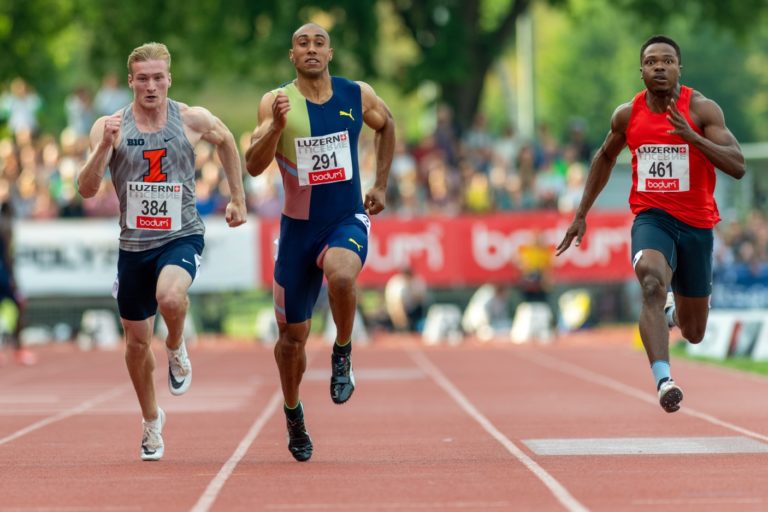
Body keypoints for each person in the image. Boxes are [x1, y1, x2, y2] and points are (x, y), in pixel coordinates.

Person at [556, 35, 745, 413]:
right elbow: (604, 157)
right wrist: (581, 214)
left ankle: (673, 315)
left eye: (667, 61)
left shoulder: (703, 110)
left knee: (694, 332)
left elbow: (738, 165)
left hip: (696, 224)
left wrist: (692, 138)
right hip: (652, 217)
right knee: (651, 281)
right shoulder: (628, 115)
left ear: (679, 69)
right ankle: (664, 380)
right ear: (641, 70)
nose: (659, 67)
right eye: (652, 61)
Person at [77, 42, 247, 460]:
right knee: (136, 343)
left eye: (158, 77)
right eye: (143, 78)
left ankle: (175, 345)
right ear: (130, 80)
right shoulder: (109, 126)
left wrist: (237, 197)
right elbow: (85, 189)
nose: (151, 86)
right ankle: (152, 421)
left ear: (169, 79)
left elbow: (226, 141)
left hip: (181, 234)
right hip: (134, 246)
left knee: (170, 296)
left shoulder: (191, 118)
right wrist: (104, 148)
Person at [245, 23, 395, 462]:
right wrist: (274, 127)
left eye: (319, 43)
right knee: (291, 341)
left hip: (344, 218)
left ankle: (343, 351)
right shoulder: (276, 102)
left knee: (342, 274)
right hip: (297, 232)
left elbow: (388, 126)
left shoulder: (356, 94)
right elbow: (253, 167)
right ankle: (293, 413)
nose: (311, 49)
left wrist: (381, 185)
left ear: (330, 53)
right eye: (302, 44)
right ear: (292, 56)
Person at [0, 193, 36, 366]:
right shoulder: (7, 226)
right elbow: (7, 256)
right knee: (19, 306)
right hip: (4, 275)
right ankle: (19, 349)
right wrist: (13, 279)